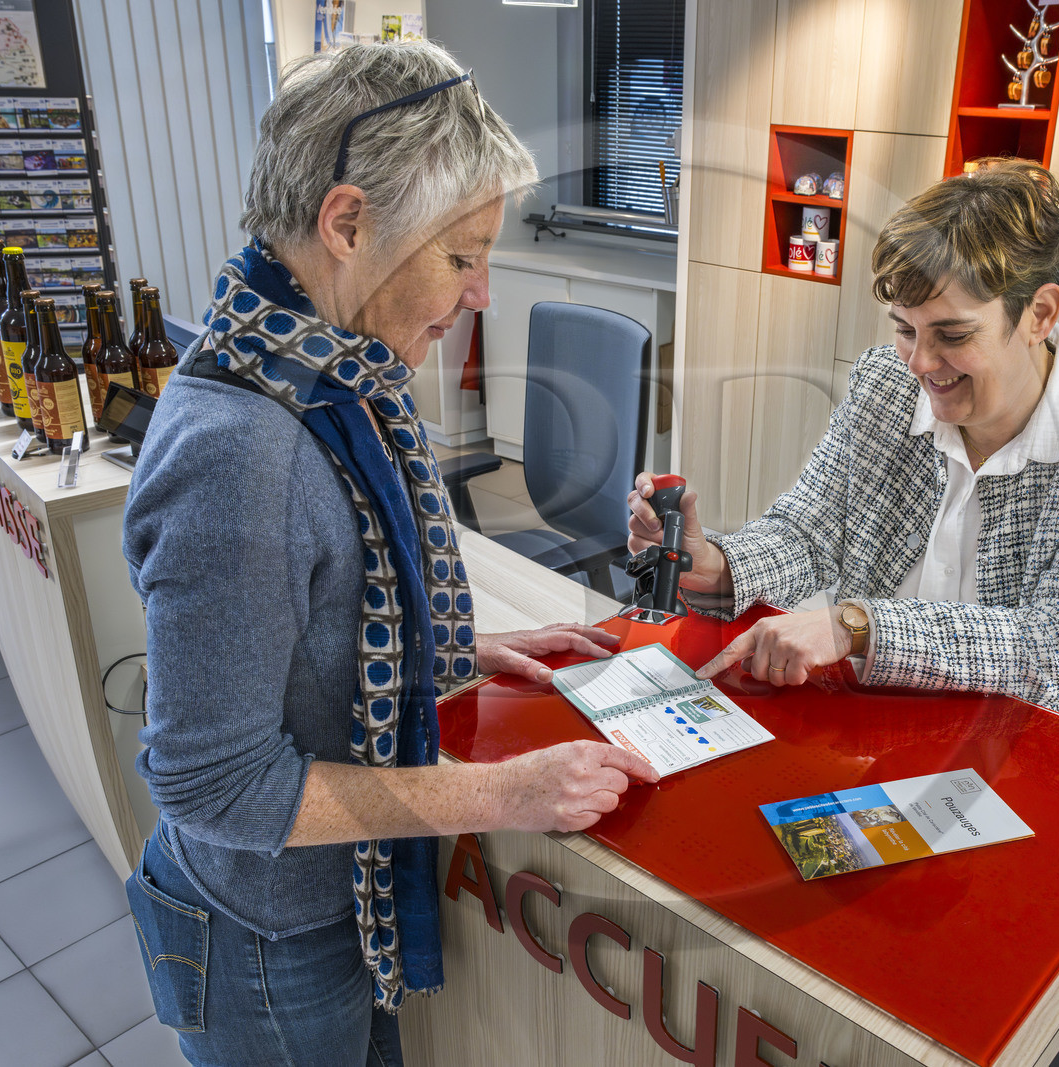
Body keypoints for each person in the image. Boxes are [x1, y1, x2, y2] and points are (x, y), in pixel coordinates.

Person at [122, 42, 657, 1067]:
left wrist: (450, 647)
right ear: (348, 223)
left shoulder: (318, 364)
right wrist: (506, 791)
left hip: (313, 916)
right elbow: (214, 785)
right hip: (270, 945)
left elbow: (318, 610)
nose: (482, 294)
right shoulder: (244, 451)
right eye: (462, 257)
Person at [629, 160, 1059, 747]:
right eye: (904, 328)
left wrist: (856, 628)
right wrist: (716, 565)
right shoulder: (883, 384)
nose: (920, 363)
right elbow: (811, 533)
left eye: (952, 336)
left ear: (1039, 314)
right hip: (903, 696)